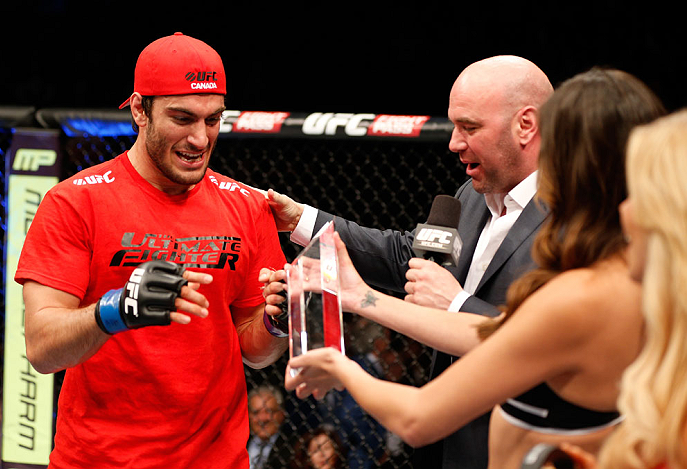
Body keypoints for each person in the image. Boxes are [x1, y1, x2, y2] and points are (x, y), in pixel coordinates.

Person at [282, 68, 667, 469]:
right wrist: (362, 297)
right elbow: (499, 333)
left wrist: (339, 367)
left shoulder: (586, 288)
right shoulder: (625, 277)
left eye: (558, 145)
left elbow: (420, 414)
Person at [261, 54, 554, 469]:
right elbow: (407, 256)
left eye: (470, 127)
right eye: (453, 125)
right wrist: (302, 220)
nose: (454, 142)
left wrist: (454, 304)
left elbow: (539, 345)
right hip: (441, 439)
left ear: (526, 125)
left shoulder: (576, 219)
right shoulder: (474, 195)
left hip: (517, 450)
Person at [14, 32, 288, 468]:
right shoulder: (75, 202)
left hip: (218, 459)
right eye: (182, 118)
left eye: (213, 120)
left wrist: (278, 321)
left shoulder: (248, 205)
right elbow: (43, 349)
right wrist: (116, 310)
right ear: (140, 109)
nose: (201, 138)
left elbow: (256, 353)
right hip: (100, 459)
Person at [528, 109, 687, 469]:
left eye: (639, 193)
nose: (625, 209)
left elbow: (419, 417)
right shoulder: (669, 341)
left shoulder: (589, 292)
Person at [248, 386, 287, 469]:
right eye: (256, 412)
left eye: (269, 411)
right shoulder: (239, 445)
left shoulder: (292, 449)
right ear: (248, 415)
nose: (262, 418)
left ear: (281, 414)